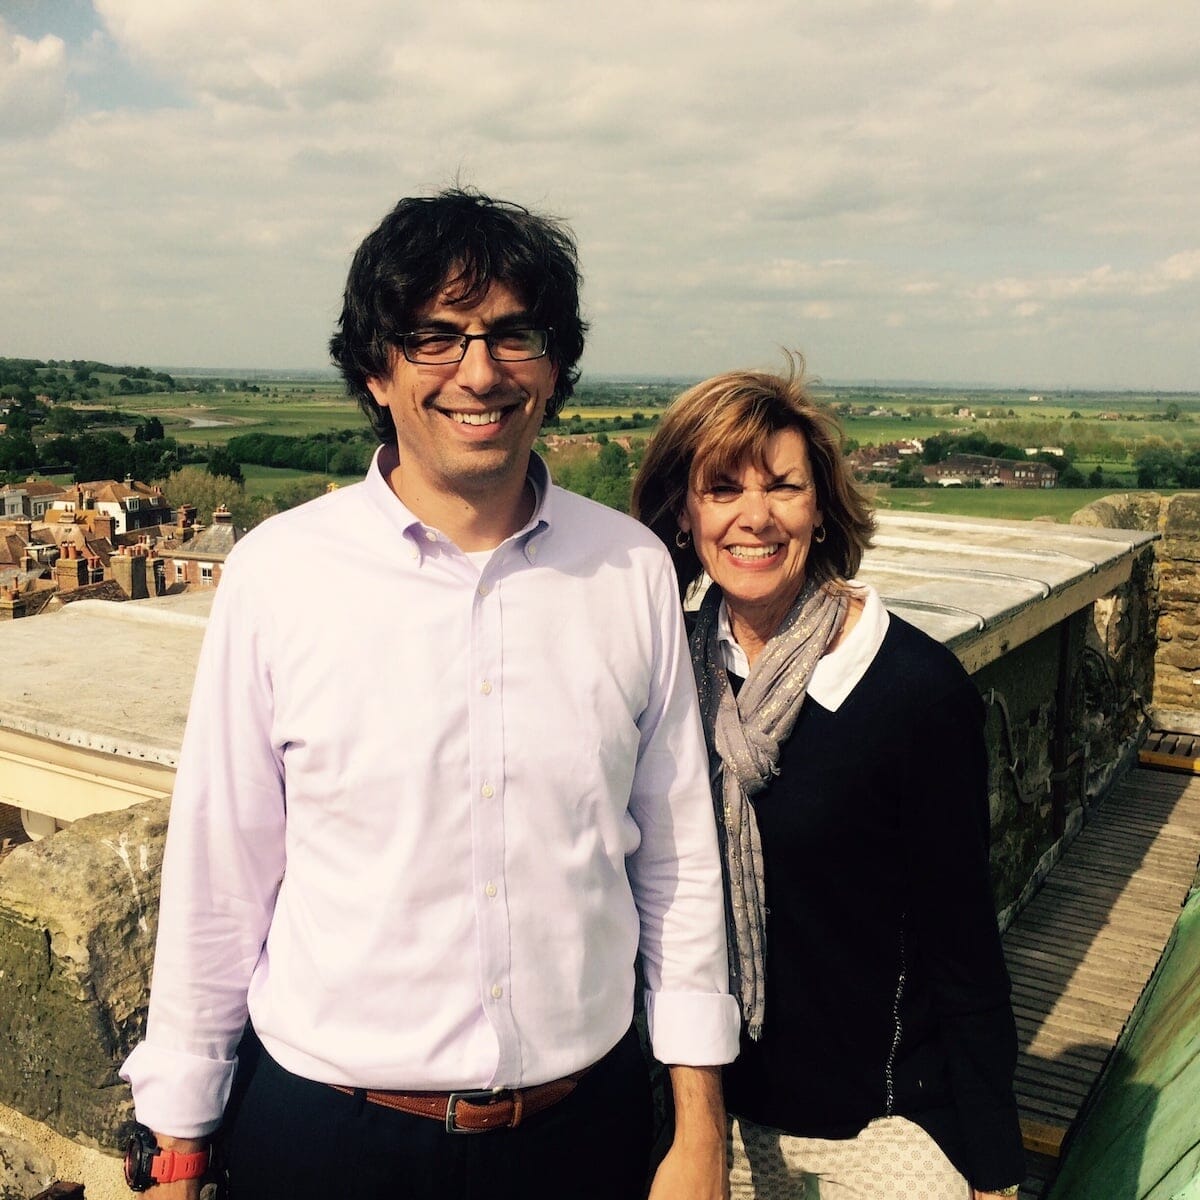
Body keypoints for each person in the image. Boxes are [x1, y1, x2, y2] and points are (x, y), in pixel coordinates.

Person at [120, 188, 740, 1200]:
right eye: (434, 338)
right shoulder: (281, 576)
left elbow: (675, 861)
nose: (480, 371)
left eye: (513, 335)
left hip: (585, 1135)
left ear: (556, 365)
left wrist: (699, 1129)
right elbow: (220, 875)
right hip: (330, 1141)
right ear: (377, 368)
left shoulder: (629, 571)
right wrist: (177, 1147)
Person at [631, 361, 1026, 1200]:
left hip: (871, 1131)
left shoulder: (912, 691)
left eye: (783, 485)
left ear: (822, 506)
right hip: (700, 1119)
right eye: (722, 488)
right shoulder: (668, 675)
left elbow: (965, 950)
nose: (755, 517)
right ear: (685, 510)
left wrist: (994, 1174)